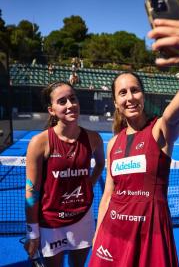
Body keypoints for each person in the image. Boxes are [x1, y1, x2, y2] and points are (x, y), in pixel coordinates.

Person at [88, 9, 179, 266]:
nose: (129, 97)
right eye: (122, 93)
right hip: (112, 235)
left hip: (150, 237)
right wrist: (98, 232)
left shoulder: (161, 129)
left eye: (134, 90)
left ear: (143, 95)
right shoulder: (113, 142)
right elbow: (109, 193)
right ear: (116, 102)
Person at [24, 81, 105, 266]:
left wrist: (89, 184)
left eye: (73, 98)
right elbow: (31, 192)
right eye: (62, 101)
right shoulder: (39, 143)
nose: (70, 105)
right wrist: (33, 233)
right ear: (51, 110)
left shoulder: (93, 138)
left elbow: (100, 163)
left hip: (82, 218)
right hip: (51, 223)